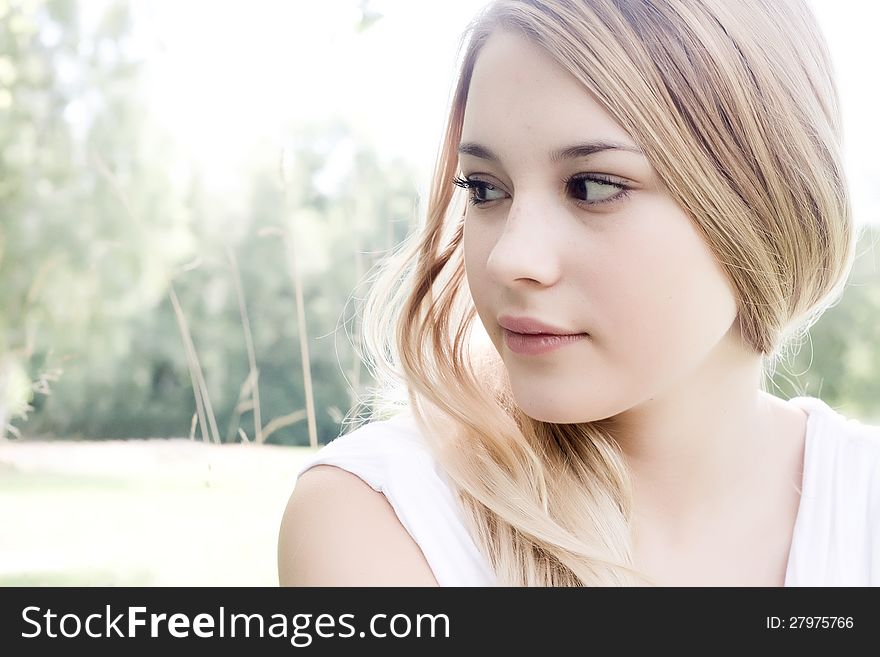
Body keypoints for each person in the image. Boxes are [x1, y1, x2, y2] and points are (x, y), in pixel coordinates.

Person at [277, 0, 879, 586]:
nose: (510, 257)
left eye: (591, 187)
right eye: (485, 189)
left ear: (767, 203)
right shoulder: (384, 518)